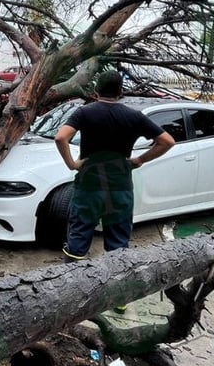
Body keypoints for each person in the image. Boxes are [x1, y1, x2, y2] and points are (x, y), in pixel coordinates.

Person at [54, 71, 175, 277]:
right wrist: (139, 160)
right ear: (121, 92)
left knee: (78, 238)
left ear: (95, 90)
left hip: (88, 187)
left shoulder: (84, 113)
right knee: (118, 243)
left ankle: (72, 286)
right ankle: (119, 299)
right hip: (119, 188)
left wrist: (73, 164)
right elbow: (168, 141)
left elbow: (60, 138)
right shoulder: (134, 116)